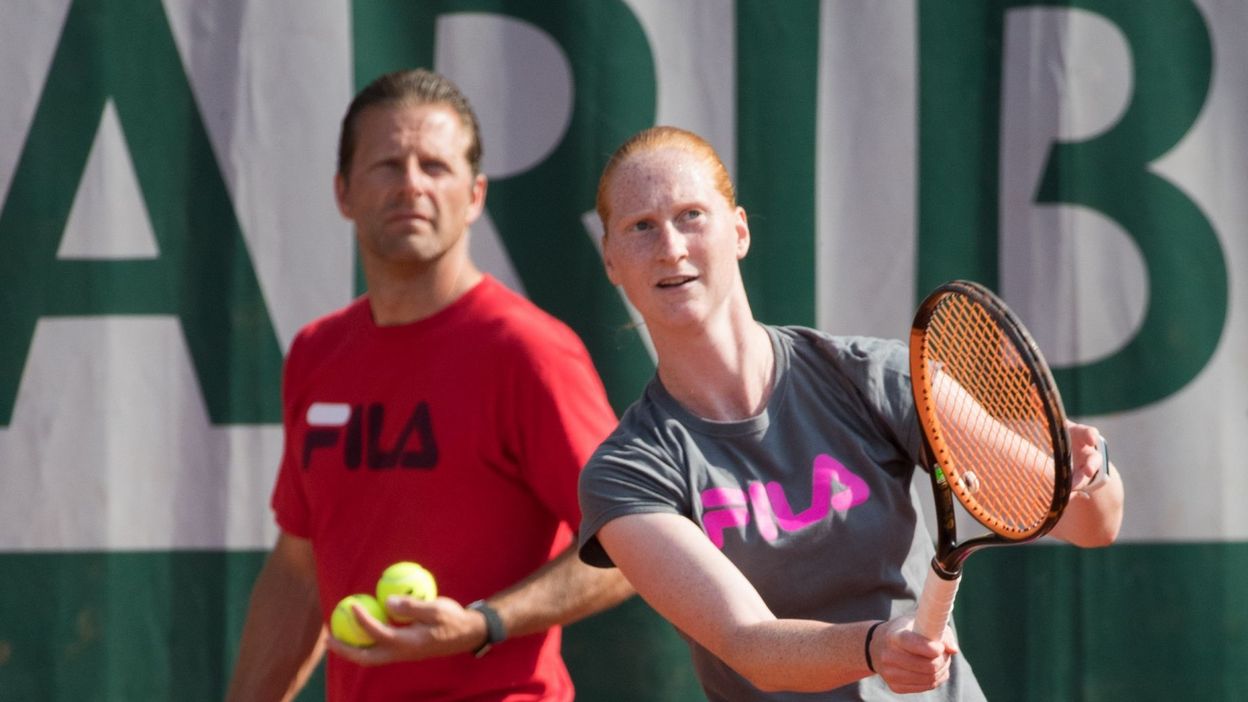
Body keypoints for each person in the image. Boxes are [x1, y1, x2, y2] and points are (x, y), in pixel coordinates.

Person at [576, 126, 1125, 701]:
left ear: (738, 230)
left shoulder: (875, 378)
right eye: (641, 226)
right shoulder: (627, 475)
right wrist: (874, 647)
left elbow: (1090, 524)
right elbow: (750, 644)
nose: (671, 246)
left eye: (691, 215)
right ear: (611, 259)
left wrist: (1091, 472)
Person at [225, 68, 633, 702]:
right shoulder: (316, 353)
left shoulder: (528, 351)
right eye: (388, 164)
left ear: (474, 195)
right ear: (343, 192)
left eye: (435, 167)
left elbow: (632, 539)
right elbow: (299, 569)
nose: (411, 184)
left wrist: (484, 623)